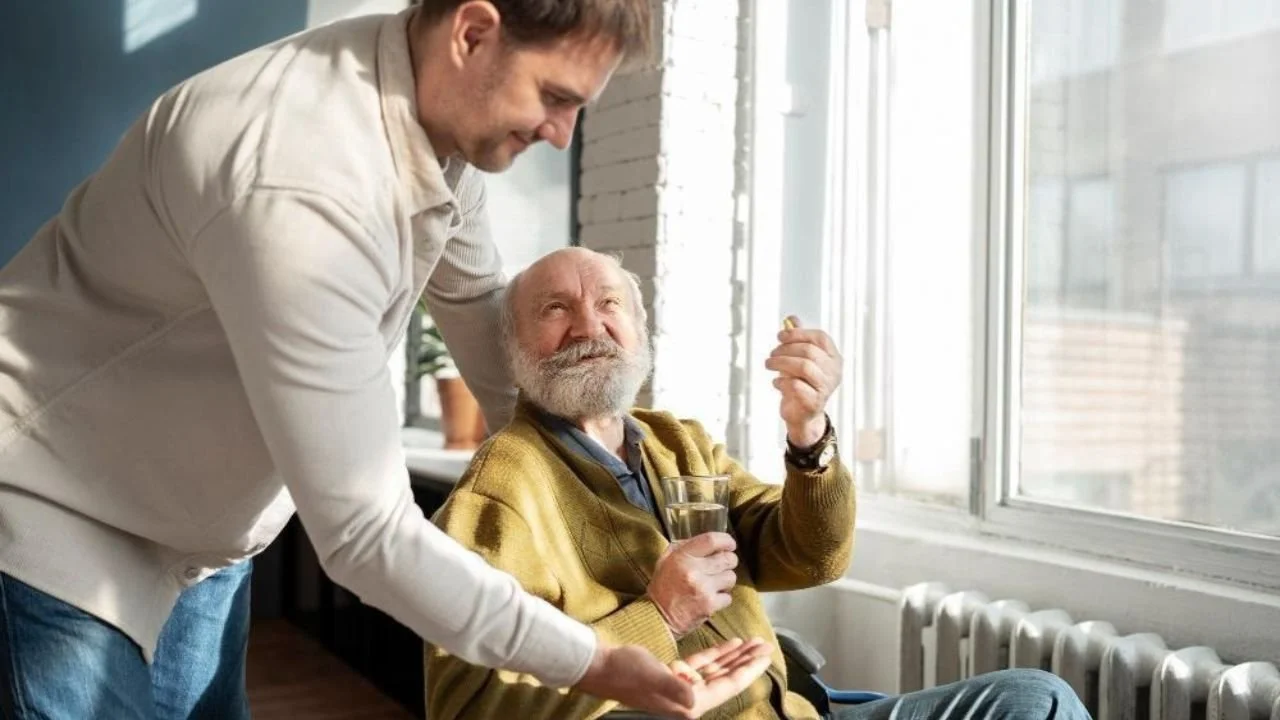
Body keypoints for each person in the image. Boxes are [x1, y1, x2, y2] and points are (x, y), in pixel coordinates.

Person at [0, 3, 772, 719]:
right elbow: (366, 534)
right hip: (60, 513)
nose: (563, 134)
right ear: (473, 33)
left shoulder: (434, 126)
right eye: (556, 96)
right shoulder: (299, 179)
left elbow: (477, 309)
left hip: (197, 546)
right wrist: (600, 657)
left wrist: (595, 482)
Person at [425, 247, 1093, 720]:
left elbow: (809, 554)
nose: (588, 325)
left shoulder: (674, 441)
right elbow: (469, 707)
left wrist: (809, 435)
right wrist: (658, 616)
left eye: (608, 304)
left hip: (797, 707)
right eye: (554, 309)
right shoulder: (502, 490)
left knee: (1037, 698)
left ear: (638, 331)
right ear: (514, 349)